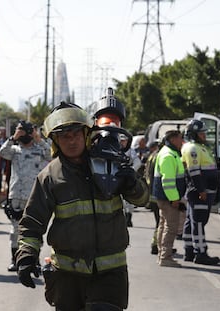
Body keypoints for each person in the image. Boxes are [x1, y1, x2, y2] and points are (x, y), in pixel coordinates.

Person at [15, 102, 149, 310]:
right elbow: (33, 221)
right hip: (68, 277)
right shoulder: (49, 177)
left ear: (86, 134)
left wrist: (132, 183)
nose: (71, 141)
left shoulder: (109, 164)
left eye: (75, 134)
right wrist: (26, 255)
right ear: (55, 141)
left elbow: (143, 199)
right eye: (64, 136)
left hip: (109, 274)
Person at [0, 120, 51, 272]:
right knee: (16, 231)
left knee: (35, 230)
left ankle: (35, 260)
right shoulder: (14, 150)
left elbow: (50, 154)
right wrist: (14, 137)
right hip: (16, 197)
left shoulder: (40, 149)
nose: (24, 133)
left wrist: (38, 138)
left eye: (26, 131)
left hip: (35, 197)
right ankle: (15, 260)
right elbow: (2, 152)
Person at [181, 119, 220, 265]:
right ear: (194, 134)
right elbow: (194, 172)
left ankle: (189, 251)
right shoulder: (192, 149)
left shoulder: (198, 147)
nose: (204, 135)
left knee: (192, 221)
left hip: (202, 190)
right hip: (200, 191)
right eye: (201, 133)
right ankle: (201, 252)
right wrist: (201, 190)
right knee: (198, 222)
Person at [153, 130, 186, 267]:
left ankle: (162, 255)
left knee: (163, 224)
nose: (182, 141)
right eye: (180, 138)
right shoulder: (168, 155)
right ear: (173, 139)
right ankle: (165, 257)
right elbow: (168, 181)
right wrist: (174, 199)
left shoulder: (168, 153)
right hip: (168, 198)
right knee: (170, 227)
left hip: (164, 197)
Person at [119, 133, 142, 227]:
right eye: (121, 141)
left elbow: (137, 162)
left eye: (124, 141)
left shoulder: (130, 151)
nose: (123, 143)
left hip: (127, 177)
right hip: (116, 176)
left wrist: (131, 170)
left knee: (129, 198)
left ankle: (129, 217)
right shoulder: (113, 149)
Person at [144, 140, 160, 254]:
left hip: (151, 193)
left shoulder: (152, 156)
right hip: (156, 195)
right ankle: (156, 245)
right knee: (160, 222)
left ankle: (157, 244)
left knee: (159, 222)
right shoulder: (158, 156)